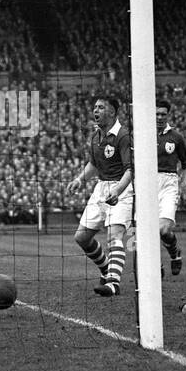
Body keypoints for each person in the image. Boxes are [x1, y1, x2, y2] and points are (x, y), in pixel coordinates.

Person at [66, 94, 133, 296]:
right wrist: (79, 179)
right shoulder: (96, 137)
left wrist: (118, 190)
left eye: (101, 107)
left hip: (122, 187)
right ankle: (106, 269)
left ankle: (113, 283)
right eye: (95, 107)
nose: (96, 110)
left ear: (112, 112)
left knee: (115, 235)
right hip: (101, 188)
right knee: (82, 237)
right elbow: (94, 164)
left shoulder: (123, 136)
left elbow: (131, 170)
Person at [155, 98, 186, 275]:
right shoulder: (142, 134)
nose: (160, 117)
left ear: (168, 115)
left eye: (163, 114)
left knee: (163, 229)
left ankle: (174, 251)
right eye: (157, 114)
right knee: (139, 230)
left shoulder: (176, 137)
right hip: (146, 183)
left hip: (169, 182)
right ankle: (156, 264)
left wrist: (185, 189)